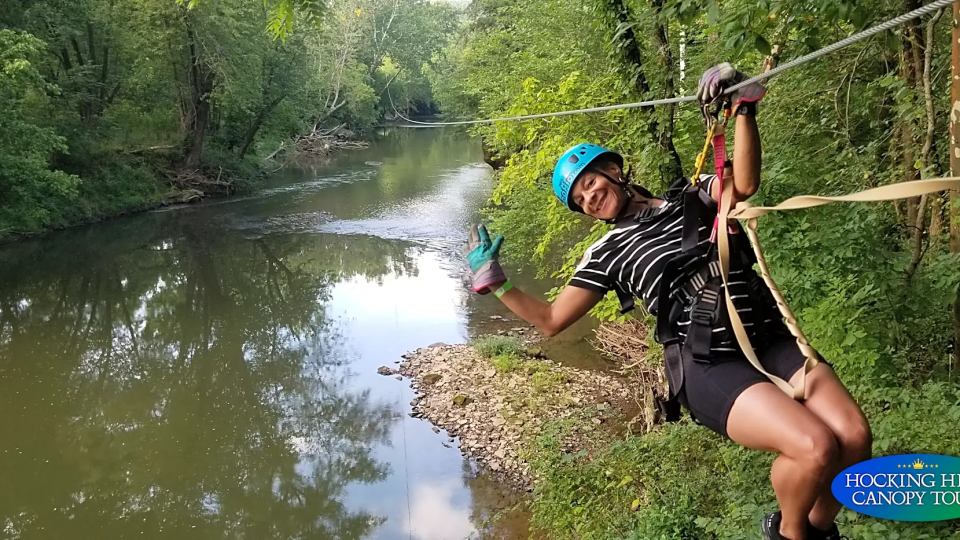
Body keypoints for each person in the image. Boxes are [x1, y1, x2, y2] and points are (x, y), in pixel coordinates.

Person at [464, 64, 872, 540]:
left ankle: (819, 527)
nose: (590, 197)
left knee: (855, 439)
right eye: (579, 199)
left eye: (591, 182)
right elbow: (552, 320)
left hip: (768, 336)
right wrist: (498, 284)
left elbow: (744, 180)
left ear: (613, 170)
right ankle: (790, 533)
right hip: (709, 362)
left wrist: (743, 108)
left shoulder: (693, 197)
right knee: (815, 446)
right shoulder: (606, 253)